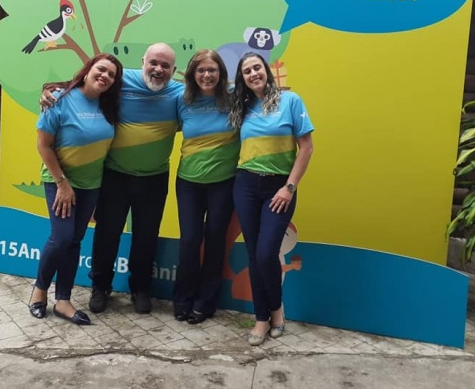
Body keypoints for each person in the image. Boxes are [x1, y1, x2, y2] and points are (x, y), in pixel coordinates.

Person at [41, 43, 183, 314]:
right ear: (143, 62)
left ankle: (140, 288)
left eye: (165, 66)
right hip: (114, 176)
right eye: (153, 63)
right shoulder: (120, 78)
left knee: (146, 236)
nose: (158, 69)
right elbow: (83, 82)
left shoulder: (179, 92)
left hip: (154, 178)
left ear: (174, 70)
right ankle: (100, 286)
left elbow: (215, 91)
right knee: (107, 234)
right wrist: (49, 90)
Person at [28, 53, 123, 325]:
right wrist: (62, 183)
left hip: (91, 185)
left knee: (74, 241)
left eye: (112, 75)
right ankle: (39, 291)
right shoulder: (59, 98)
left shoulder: (109, 106)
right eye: (101, 69)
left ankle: (63, 301)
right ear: (88, 70)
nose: (105, 76)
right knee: (61, 238)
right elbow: (43, 145)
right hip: (60, 182)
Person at [228, 52, 314, 346]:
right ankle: (261, 318)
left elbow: (306, 148)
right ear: (242, 78)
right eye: (247, 71)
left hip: (279, 188)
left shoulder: (291, 101)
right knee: (254, 254)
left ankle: (276, 309)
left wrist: (289, 187)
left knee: (266, 253)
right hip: (245, 185)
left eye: (257, 68)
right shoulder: (242, 107)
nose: (253, 73)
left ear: (266, 70)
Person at [173, 49, 239, 324]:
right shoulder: (182, 99)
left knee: (215, 241)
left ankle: (206, 302)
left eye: (212, 69)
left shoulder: (235, 96)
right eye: (201, 70)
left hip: (223, 183)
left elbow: (269, 93)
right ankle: (182, 299)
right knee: (189, 241)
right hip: (189, 182)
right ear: (192, 74)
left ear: (221, 73)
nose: (207, 75)